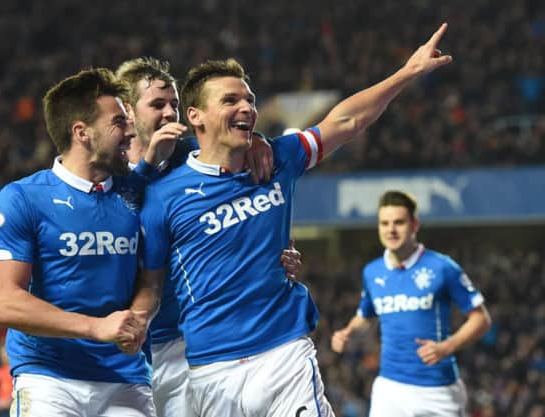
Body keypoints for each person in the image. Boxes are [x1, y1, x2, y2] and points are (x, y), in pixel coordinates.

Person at [138, 22, 454, 417]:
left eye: (250, 99)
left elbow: (346, 122)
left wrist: (407, 72)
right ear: (196, 116)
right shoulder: (162, 195)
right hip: (208, 368)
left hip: (283, 354)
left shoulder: (279, 157)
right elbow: (148, 287)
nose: (246, 108)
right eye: (230, 100)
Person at [116, 56, 303, 417]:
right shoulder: (106, 170)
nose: (170, 114)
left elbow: (230, 147)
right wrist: (146, 168)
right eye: (157, 105)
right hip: (123, 346)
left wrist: (257, 141)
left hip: (187, 343)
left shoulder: (188, 155)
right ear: (127, 111)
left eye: (174, 104)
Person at [0, 68, 175, 417]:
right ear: (81, 132)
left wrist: (139, 319)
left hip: (125, 377)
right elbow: (4, 303)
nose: (131, 130)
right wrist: (96, 327)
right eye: (119, 121)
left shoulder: (139, 192)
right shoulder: (22, 199)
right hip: (48, 378)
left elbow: (152, 277)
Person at [331, 190, 492, 417]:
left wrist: (446, 347)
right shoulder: (372, 271)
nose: (391, 230)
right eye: (384, 223)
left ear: (414, 224)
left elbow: (481, 319)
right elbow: (365, 316)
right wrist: (348, 332)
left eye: (399, 222)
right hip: (390, 388)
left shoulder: (442, 267)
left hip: (438, 389)